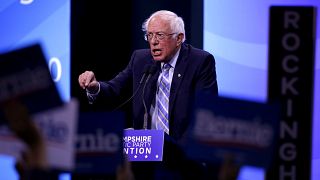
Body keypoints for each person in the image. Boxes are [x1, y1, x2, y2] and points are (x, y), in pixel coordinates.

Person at [78, 10, 218, 179]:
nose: (153, 42)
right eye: (149, 35)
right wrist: (94, 87)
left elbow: (205, 114)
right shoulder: (140, 59)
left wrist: (178, 153)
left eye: (159, 35)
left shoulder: (200, 61)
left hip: (184, 160)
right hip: (145, 159)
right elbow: (114, 89)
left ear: (179, 38)